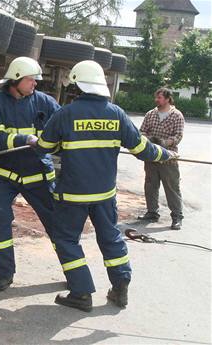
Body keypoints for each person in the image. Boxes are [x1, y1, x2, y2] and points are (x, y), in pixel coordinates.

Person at [36, 60, 178, 312]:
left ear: (77, 85)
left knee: (66, 239)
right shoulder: (116, 113)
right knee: (111, 237)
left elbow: (44, 147)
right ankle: (120, 286)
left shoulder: (65, 113)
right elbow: (141, 148)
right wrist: (165, 154)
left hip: (72, 194)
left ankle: (81, 293)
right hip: (104, 194)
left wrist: (47, 140)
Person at [0, 56, 61, 291]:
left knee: (58, 224)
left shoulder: (45, 102)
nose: (36, 83)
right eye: (31, 80)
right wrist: (24, 139)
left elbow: (63, 125)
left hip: (38, 175)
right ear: (16, 79)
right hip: (5, 175)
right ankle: (4, 274)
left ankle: (74, 272)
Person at [138, 88, 185, 230]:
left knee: (172, 187)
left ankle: (177, 216)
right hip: (151, 156)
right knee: (150, 185)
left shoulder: (177, 116)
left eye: (159, 98)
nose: (156, 100)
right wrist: (148, 139)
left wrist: (164, 143)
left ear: (168, 99)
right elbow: (142, 131)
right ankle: (152, 212)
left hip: (168, 158)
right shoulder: (150, 114)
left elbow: (178, 136)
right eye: (156, 97)